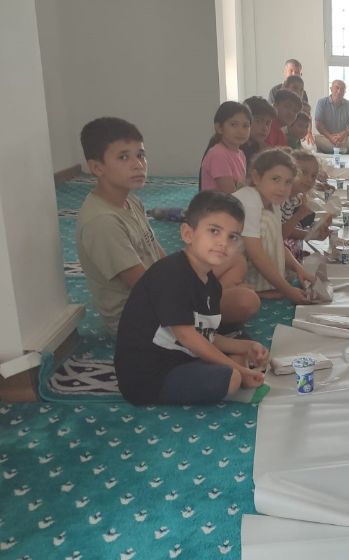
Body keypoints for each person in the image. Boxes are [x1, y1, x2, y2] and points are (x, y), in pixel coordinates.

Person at [114, 191, 268, 406]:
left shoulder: (210, 283)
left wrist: (247, 347)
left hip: (181, 357)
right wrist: (239, 369)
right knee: (230, 379)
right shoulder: (171, 275)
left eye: (232, 237)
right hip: (151, 377)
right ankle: (229, 369)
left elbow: (206, 333)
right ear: (188, 234)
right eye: (214, 231)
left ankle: (229, 363)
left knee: (239, 338)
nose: (223, 242)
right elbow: (188, 337)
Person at [76, 117, 165, 333]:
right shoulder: (102, 222)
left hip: (157, 296)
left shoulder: (130, 200)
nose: (138, 164)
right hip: (134, 316)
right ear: (97, 167)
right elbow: (142, 284)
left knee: (221, 269)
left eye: (141, 155)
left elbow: (157, 252)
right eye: (124, 157)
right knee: (240, 301)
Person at [232, 149, 315, 304]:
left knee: (270, 225)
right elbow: (256, 253)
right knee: (266, 223)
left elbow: (278, 242)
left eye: (288, 182)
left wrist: (299, 270)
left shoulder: (273, 203)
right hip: (216, 264)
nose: (282, 188)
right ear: (256, 177)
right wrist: (288, 290)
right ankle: (260, 287)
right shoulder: (250, 201)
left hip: (235, 259)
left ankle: (261, 284)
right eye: (275, 179)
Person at [282, 150, 331, 261]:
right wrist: (300, 214)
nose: (309, 180)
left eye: (313, 176)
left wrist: (314, 233)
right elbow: (281, 233)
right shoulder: (280, 199)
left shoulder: (295, 198)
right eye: (303, 172)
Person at [200, 101, 251, 193]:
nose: (241, 131)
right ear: (219, 128)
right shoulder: (218, 154)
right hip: (216, 206)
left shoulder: (241, 154)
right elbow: (230, 194)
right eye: (234, 125)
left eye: (245, 126)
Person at [314, 80, 349, 153]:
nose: (339, 91)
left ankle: (330, 149)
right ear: (331, 89)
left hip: (344, 138)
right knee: (315, 139)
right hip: (327, 137)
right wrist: (330, 137)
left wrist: (343, 135)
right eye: (337, 88)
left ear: (345, 92)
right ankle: (345, 150)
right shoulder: (321, 103)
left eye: (342, 89)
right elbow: (318, 125)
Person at [241, 96, 277, 165]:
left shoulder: (260, 148)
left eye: (268, 123)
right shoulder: (235, 148)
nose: (265, 128)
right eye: (258, 121)